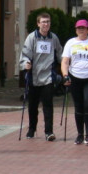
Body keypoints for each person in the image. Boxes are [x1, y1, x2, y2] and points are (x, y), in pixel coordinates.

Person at [20, 12, 63, 141]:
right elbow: (25, 53)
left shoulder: (53, 38)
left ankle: (49, 131)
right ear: (38, 23)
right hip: (34, 76)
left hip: (48, 77)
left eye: (48, 22)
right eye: (43, 22)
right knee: (32, 106)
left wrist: (66, 65)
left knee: (48, 105)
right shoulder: (32, 37)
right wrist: (26, 63)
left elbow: (60, 53)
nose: (46, 24)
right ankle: (32, 129)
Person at [60, 19, 88, 145]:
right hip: (75, 77)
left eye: (83, 28)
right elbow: (65, 61)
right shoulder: (70, 43)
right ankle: (80, 134)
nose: (81, 30)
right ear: (76, 30)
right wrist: (65, 75)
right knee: (78, 106)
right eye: (79, 28)